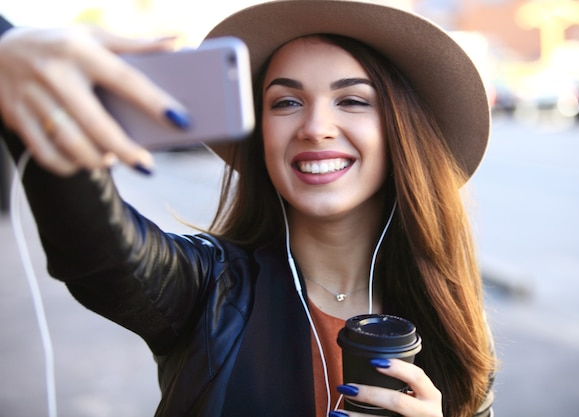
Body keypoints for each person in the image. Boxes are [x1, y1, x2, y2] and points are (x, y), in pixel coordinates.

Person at [0, 1, 496, 416]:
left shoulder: (450, 316)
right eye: (285, 103)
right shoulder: (206, 288)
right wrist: (13, 56)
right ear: (259, 134)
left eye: (352, 101)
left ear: (400, 133)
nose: (315, 127)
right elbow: (100, 255)